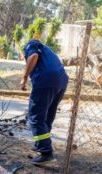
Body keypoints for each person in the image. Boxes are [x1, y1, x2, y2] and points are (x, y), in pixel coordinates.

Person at [20, 35, 68, 165]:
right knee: (47, 115)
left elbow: (33, 56)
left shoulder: (31, 45)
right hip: (62, 82)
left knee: (35, 116)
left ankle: (46, 152)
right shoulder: (48, 50)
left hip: (46, 80)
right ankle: (41, 144)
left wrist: (24, 77)